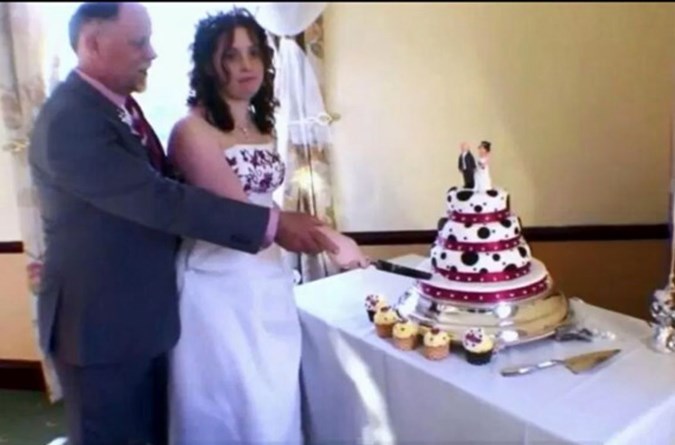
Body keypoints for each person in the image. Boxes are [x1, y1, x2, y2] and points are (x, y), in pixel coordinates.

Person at [27, 3, 339, 445]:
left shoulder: (119, 110)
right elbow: (159, 199)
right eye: (139, 42)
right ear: (93, 43)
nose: (152, 53)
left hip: (143, 314)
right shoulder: (72, 119)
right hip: (100, 324)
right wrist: (273, 224)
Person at [164, 9, 368, 443]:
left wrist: (331, 237)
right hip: (219, 286)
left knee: (274, 399)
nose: (246, 65)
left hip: (269, 276)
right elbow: (241, 217)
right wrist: (332, 239)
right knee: (236, 401)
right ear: (207, 65)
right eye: (231, 55)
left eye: (253, 52)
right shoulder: (191, 131)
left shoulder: (260, 128)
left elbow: (268, 203)